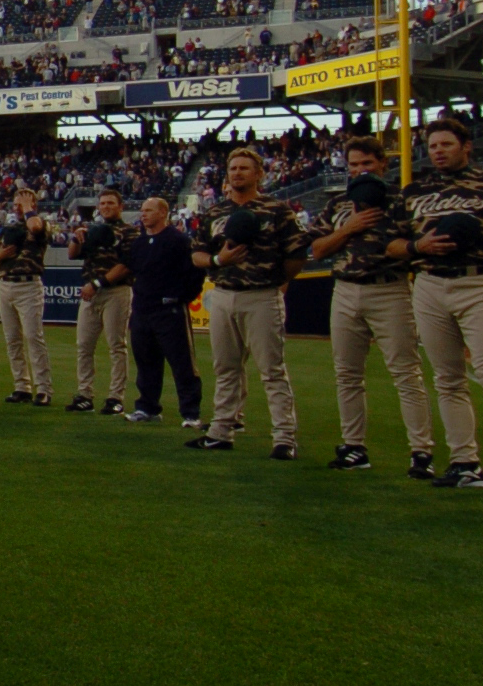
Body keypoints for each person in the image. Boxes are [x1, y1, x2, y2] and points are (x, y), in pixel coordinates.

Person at [391, 116, 483, 492]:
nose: (438, 152)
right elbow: (390, 244)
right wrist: (417, 247)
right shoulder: (413, 191)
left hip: (478, 281)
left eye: (446, 145)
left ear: (466, 146)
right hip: (429, 283)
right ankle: (464, 461)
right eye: (433, 146)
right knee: (448, 379)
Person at [310, 133, 436, 477]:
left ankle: (421, 451)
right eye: (354, 165)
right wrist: (349, 228)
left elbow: (415, 246)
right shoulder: (339, 205)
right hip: (345, 289)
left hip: (389, 289)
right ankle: (354, 446)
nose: (361, 170)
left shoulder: (402, 201)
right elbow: (318, 249)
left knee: (406, 373)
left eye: (367, 163)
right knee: (347, 374)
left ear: (383, 163)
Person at [186, 148, 304, 458]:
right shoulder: (214, 212)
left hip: (262, 295)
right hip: (223, 293)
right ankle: (221, 431)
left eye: (244, 168)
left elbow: (296, 256)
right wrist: (217, 259)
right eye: (233, 168)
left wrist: (275, 281)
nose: (237, 173)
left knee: (272, 370)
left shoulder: (277, 210)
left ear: (259, 174)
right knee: (225, 368)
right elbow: (197, 254)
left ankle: (284, 438)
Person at [121, 196, 201, 426]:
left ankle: (190, 412)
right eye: (142, 210)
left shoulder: (178, 241)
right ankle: (147, 408)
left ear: (162, 213)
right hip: (142, 311)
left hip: (169, 312)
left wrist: (179, 299)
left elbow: (195, 274)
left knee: (182, 363)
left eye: (149, 210)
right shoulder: (138, 243)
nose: (143, 214)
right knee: (146, 363)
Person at [66, 187, 136, 414]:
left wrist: (97, 284)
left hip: (115, 291)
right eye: (102, 204)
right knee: (84, 345)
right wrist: (76, 238)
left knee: (116, 345)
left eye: (110, 203)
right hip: (90, 293)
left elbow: (126, 265)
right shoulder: (92, 230)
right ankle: (84, 394)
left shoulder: (129, 232)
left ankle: (116, 397)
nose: (106, 207)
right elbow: (72, 254)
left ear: (120, 207)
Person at [0, 188, 53, 405]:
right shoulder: (8, 230)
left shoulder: (41, 223)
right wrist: (0, 255)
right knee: (13, 340)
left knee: (33, 337)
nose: (18, 208)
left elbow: (35, 227)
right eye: (16, 204)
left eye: (23, 204)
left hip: (28, 284)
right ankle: (22, 386)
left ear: (32, 204)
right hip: (6, 284)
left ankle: (43, 388)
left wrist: (29, 208)